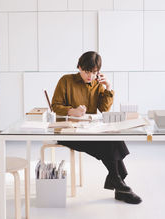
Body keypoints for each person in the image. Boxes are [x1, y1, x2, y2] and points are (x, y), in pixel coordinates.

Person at [51, 51, 142, 204]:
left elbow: (104, 109)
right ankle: (119, 182)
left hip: (89, 131)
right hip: (69, 132)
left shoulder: (96, 84)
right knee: (108, 142)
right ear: (79, 67)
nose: (90, 76)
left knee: (112, 137)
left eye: (94, 73)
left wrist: (108, 88)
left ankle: (117, 182)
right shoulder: (66, 81)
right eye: (87, 71)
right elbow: (55, 106)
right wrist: (71, 111)